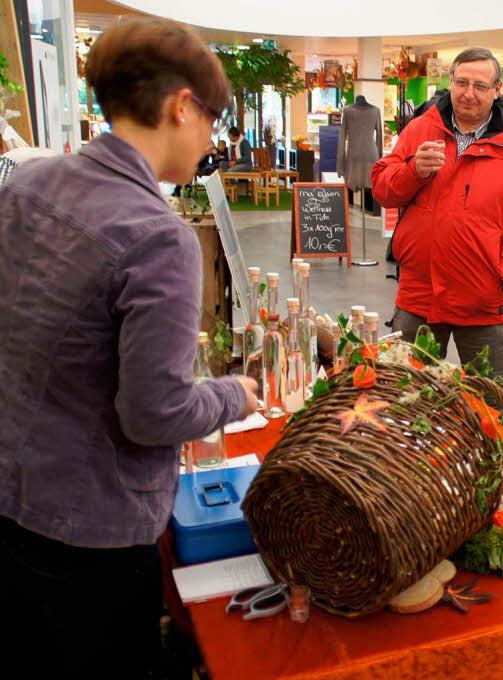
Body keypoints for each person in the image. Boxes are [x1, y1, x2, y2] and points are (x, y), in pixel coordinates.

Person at [0, 18, 259, 678]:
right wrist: (234, 393)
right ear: (181, 107)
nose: (211, 138)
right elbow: (154, 413)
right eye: (212, 119)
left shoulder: (27, 185)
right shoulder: (156, 235)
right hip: (91, 527)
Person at [372, 47, 503, 386]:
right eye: (462, 82)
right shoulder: (418, 132)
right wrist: (413, 171)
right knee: (405, 401)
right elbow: (382, 188)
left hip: (483, 302)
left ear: (498, 89)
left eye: (480, 85)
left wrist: (501, 269)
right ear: (450, 83)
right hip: (419, 296)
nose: (469, 93)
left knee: (488, 407)